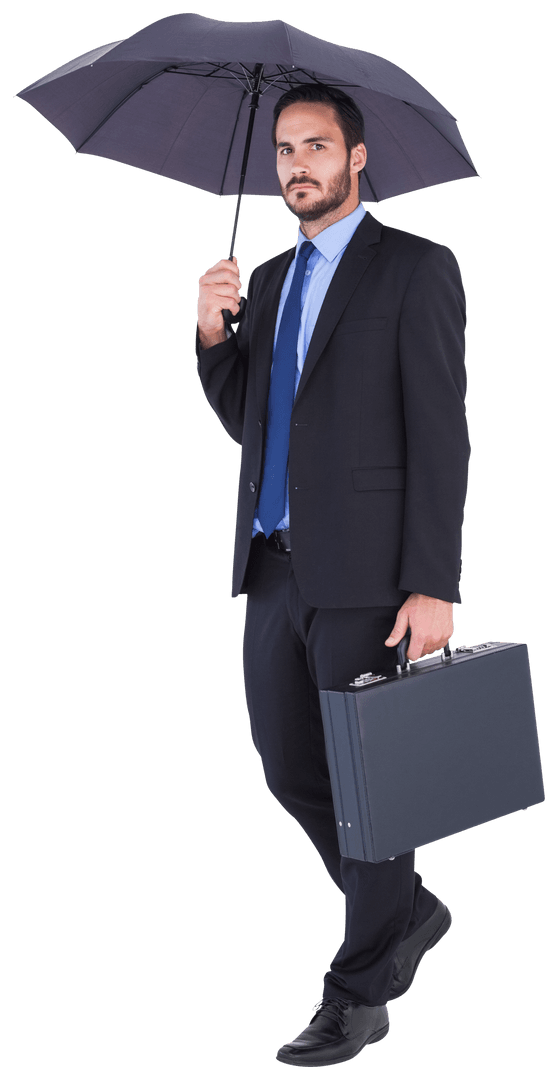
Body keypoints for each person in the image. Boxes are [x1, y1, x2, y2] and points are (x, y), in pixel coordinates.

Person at [195, 83, 470, 1067]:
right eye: (284, 149)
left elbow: (442, 437)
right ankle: (409, 911)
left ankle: (356, 992)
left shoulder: (417, 271)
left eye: (316, 146)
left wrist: (432, 583)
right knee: (288, 771)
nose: (296, 165)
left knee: (372, 790)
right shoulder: (266, 279)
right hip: (272, 571)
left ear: (357, 160)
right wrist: (215, 335)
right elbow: (255, 423)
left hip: (369, 576)